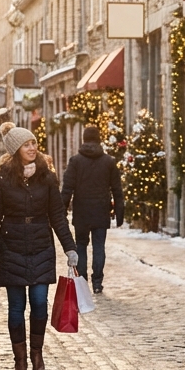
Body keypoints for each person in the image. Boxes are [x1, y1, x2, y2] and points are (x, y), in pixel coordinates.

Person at [0, 123, 76, 370]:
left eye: (34, 143)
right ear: (16, 149)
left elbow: (58, 216)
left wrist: (69, 247)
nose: (32, 147)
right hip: (11, 243)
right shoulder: (1, 178)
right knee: (16, 306)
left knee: (38, 303)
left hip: (40, 243)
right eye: (27, 144)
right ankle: (20, 361)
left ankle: (37, 353)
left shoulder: (46, 177)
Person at [62, 126, 124, 294]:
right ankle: (97, 282)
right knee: (99, 247)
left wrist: (61, 210)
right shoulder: (108, 162)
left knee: (80, 246)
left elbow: (67, 188)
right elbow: (117, 189)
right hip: (101, 210)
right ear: (98, 139)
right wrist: (119, 213)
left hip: (81, 211)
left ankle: (82, 283)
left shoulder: (75, 161)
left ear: (83, 139)